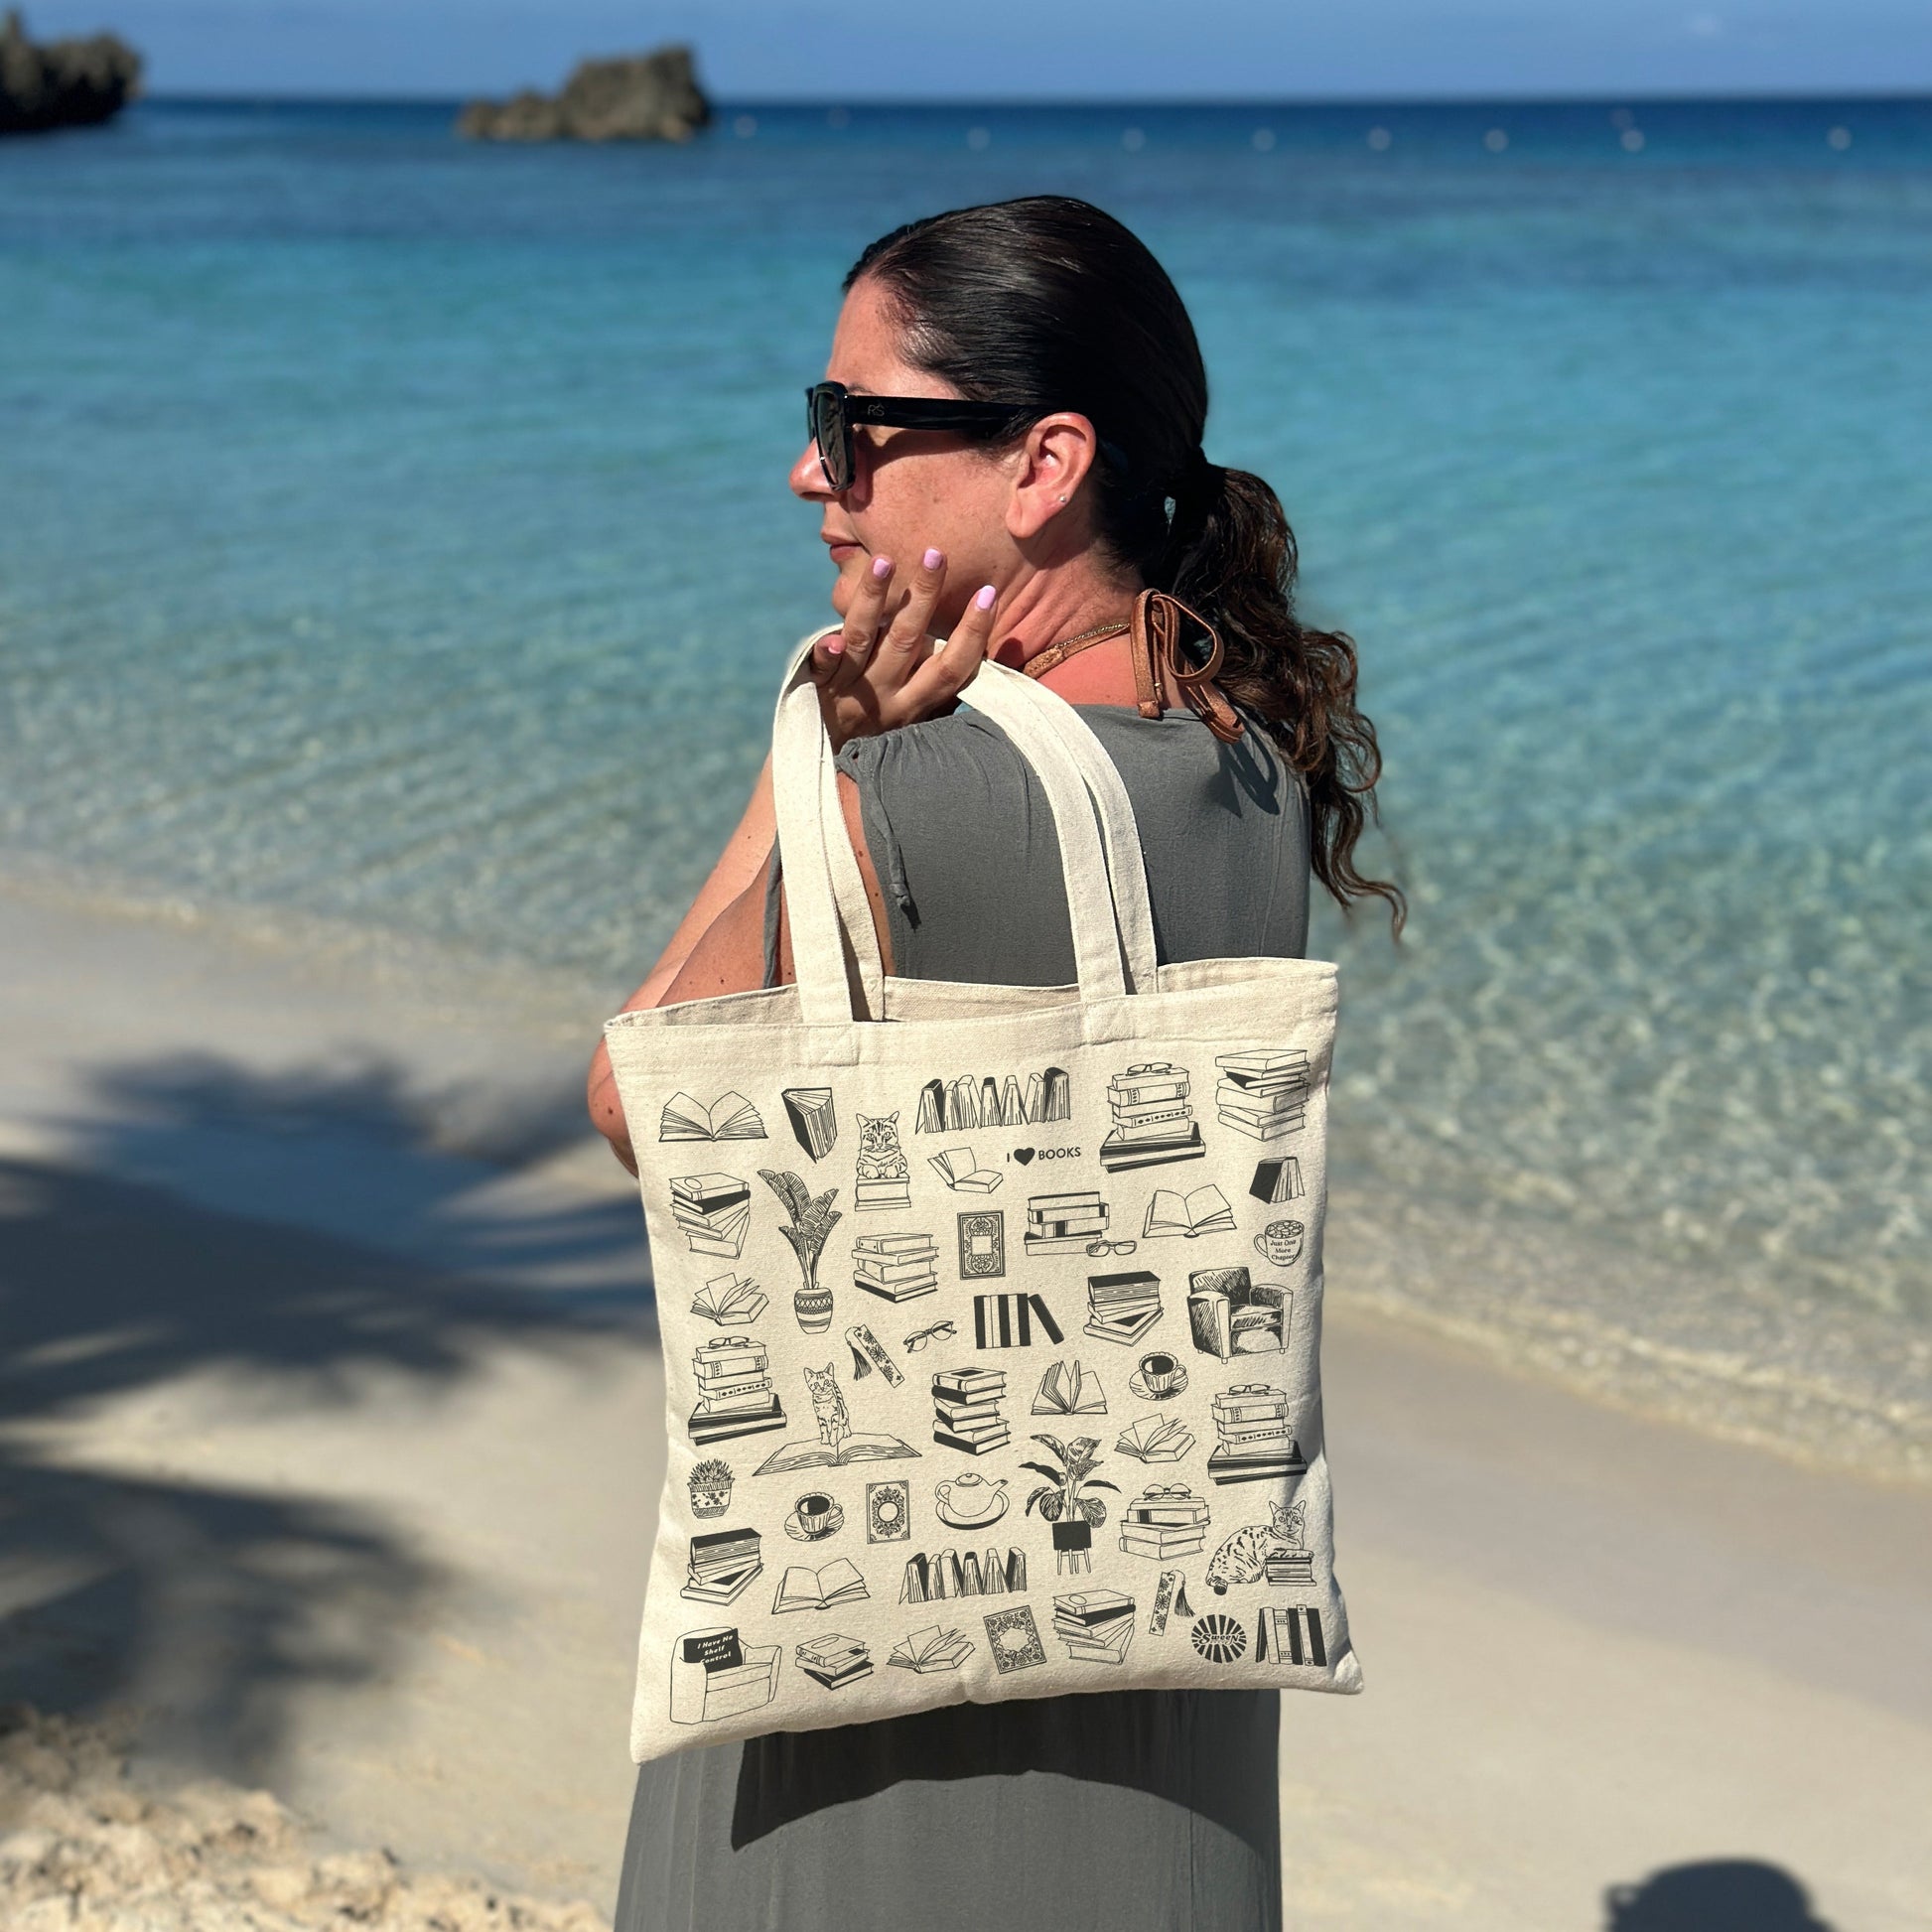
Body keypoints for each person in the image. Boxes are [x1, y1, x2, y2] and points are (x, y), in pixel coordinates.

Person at [586, 195, 1399, 1932]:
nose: (814, 478)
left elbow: (636, 1092)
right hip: (1164, 1662)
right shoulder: (1248, 752)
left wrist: (815, 749)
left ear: (1041, 464)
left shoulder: (912, 787)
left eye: (852, 427)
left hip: (860, 1686)